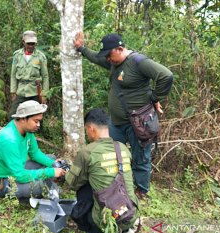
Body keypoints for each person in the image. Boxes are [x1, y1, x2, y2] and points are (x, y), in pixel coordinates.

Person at [73, 32, 173, 198]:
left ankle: (141, 190)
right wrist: (81, 48)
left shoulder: (138, 62)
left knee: (140, 157)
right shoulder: (114, 63)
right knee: (110, 153)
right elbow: (97, 59)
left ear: (119, 49)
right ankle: (114, 184)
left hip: (138, 123)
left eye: (109, 55)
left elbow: (166, 76)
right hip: (117, 123)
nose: (107, 59)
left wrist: (154, 98)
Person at [65, 108, 139, 233]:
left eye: (86, 129)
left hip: (105, 221)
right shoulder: (123, 147)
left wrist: (66, 173)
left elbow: (72, 183)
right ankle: (126, 228)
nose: (87, 133)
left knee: (83, 187)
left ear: (91, 128)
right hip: (130, 214)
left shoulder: (87, 152)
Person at [0, 100, 66, 199]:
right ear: (23, 119)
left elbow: (34, 153)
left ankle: (50, 184)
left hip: (14, 171)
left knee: (51, 159)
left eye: (39, 121)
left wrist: (52, 164)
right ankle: (49, 186)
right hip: (0, 182)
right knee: (38, 187)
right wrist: (50, 172)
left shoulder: (27, 130)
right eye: (36, 121)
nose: (38, 125)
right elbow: (20, 176)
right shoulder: (9, 139)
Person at [9, 30, 49, 118]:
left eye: (33, 44)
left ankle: (36, 132)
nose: (31, 46)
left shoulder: (40, 57)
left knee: (36, 117)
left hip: (35, 91)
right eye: (28, 43)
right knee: (13, 115)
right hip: (21, 91)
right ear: (23, 42)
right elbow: (13, 75)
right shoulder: (17, 55)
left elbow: (45, 76)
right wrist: (13, 91)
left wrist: (44, 94)